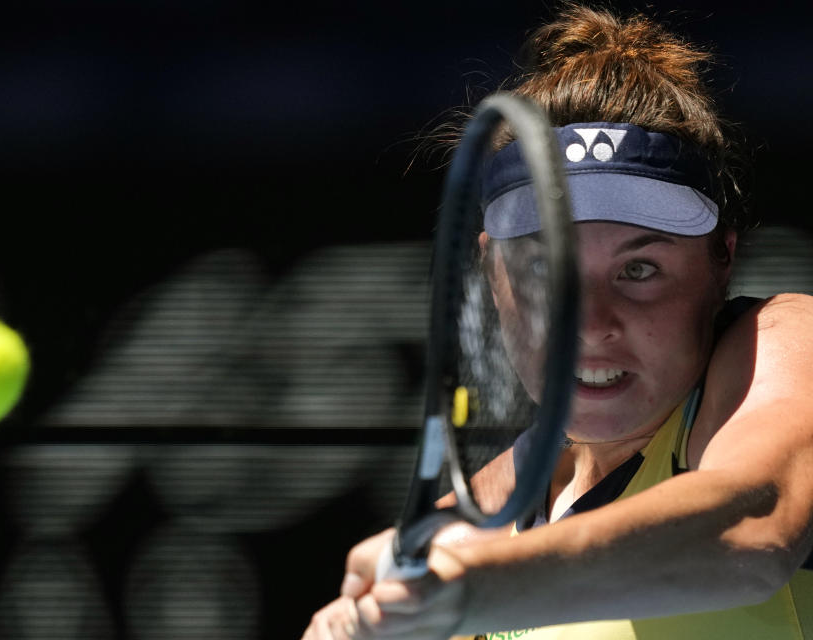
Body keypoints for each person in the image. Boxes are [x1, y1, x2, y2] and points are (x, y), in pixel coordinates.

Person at [302, 4, 813, 639]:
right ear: (495, 274)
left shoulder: (788, 343)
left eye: (640, 269)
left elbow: (750, 526)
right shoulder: (470, 523)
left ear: (721, 265)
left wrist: (477, 586)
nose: (591, 324)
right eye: (548, 272)